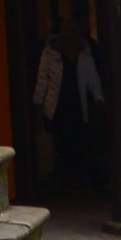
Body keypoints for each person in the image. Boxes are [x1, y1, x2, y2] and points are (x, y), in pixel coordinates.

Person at [33, 19, 105, 185]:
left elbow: (92, 78)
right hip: (57, 104)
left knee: (77, 139)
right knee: (60, 140)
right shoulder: (51, 52)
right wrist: (38, 100)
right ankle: (64, 176)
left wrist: (98, 97)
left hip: (76, 102)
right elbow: (43, 77)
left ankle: (75, 176)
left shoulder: (84, 53)